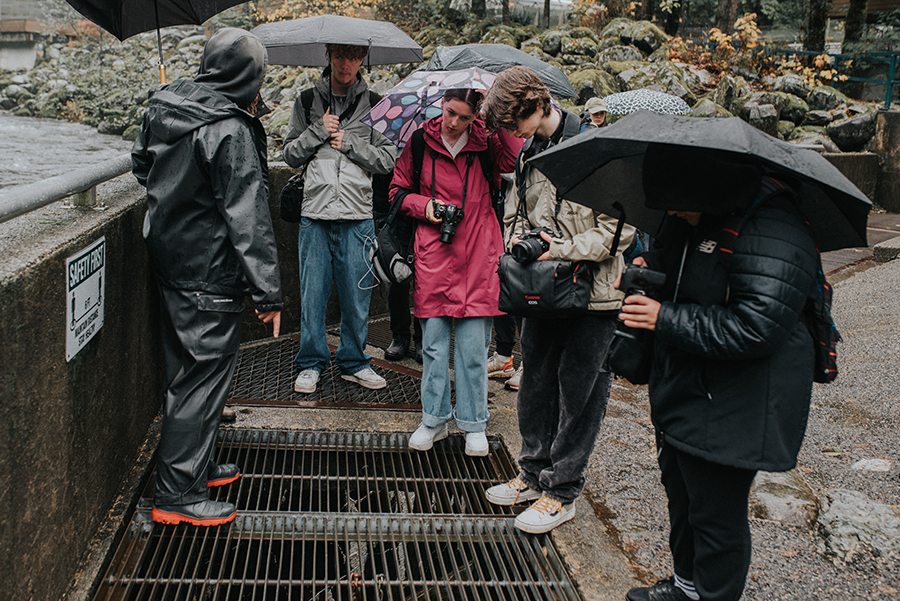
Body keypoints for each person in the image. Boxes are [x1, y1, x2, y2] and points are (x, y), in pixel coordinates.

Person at [618, 146, 818, 601]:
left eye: (681, 206)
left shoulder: (773, 224)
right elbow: (684, 274)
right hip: (688, 385)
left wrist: (662, 318)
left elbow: (758, 327)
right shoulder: (690, 214)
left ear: (707, 189)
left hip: (739, 399)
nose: (675, 215)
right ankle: (686, 587)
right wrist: (647, 271)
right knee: (684, 500)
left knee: (716, 518)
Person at [132, 28, 283, 526]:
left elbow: (140, 166)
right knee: (201, 379)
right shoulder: (230, 129)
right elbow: (249, 216)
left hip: (172, 261)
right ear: (248, 77)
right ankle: (177, 493)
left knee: (189, 370)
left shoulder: (166, 107)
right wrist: (268, 291)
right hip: (211, 272)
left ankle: (196, 468)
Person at [481, 66, 634, 534]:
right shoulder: (528, 151)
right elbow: (514, 213)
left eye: (514, 122)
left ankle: (562, 492)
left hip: (594, 297)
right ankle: (532, 475)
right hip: (542, 290)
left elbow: (618, 232)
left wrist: (555, 249)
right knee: (536, 383)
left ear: (536, 102)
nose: (511, 132)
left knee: (580, 394)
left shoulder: (597, 148)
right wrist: (518, 246)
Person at [390, 88, 521, 457]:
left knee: (474, 349)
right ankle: (433, 418)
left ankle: (473, 421)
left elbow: (513, 157)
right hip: (434, 253)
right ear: (441, 105)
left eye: (464, 117)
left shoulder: (487, 141)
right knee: (431, 346)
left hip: (479, 254)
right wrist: (424, 206)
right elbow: (397, 192)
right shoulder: (420, 141)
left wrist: (496, 115)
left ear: (476, 115)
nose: (454, 123)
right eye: (449, 113)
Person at [282, 43, 397, 394]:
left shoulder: (378, 104)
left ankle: (354, 361)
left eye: (353, 57)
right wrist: (317, 132)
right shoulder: (305, 101)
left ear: (363, 59)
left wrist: (349, 143)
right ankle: (310, 363)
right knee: (312, 295)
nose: (346, 64)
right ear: (328, 56)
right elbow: (289, 154)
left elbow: (388, 159)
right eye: (339, 56)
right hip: (314, 215)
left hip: (357, 215)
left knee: (356, 297)